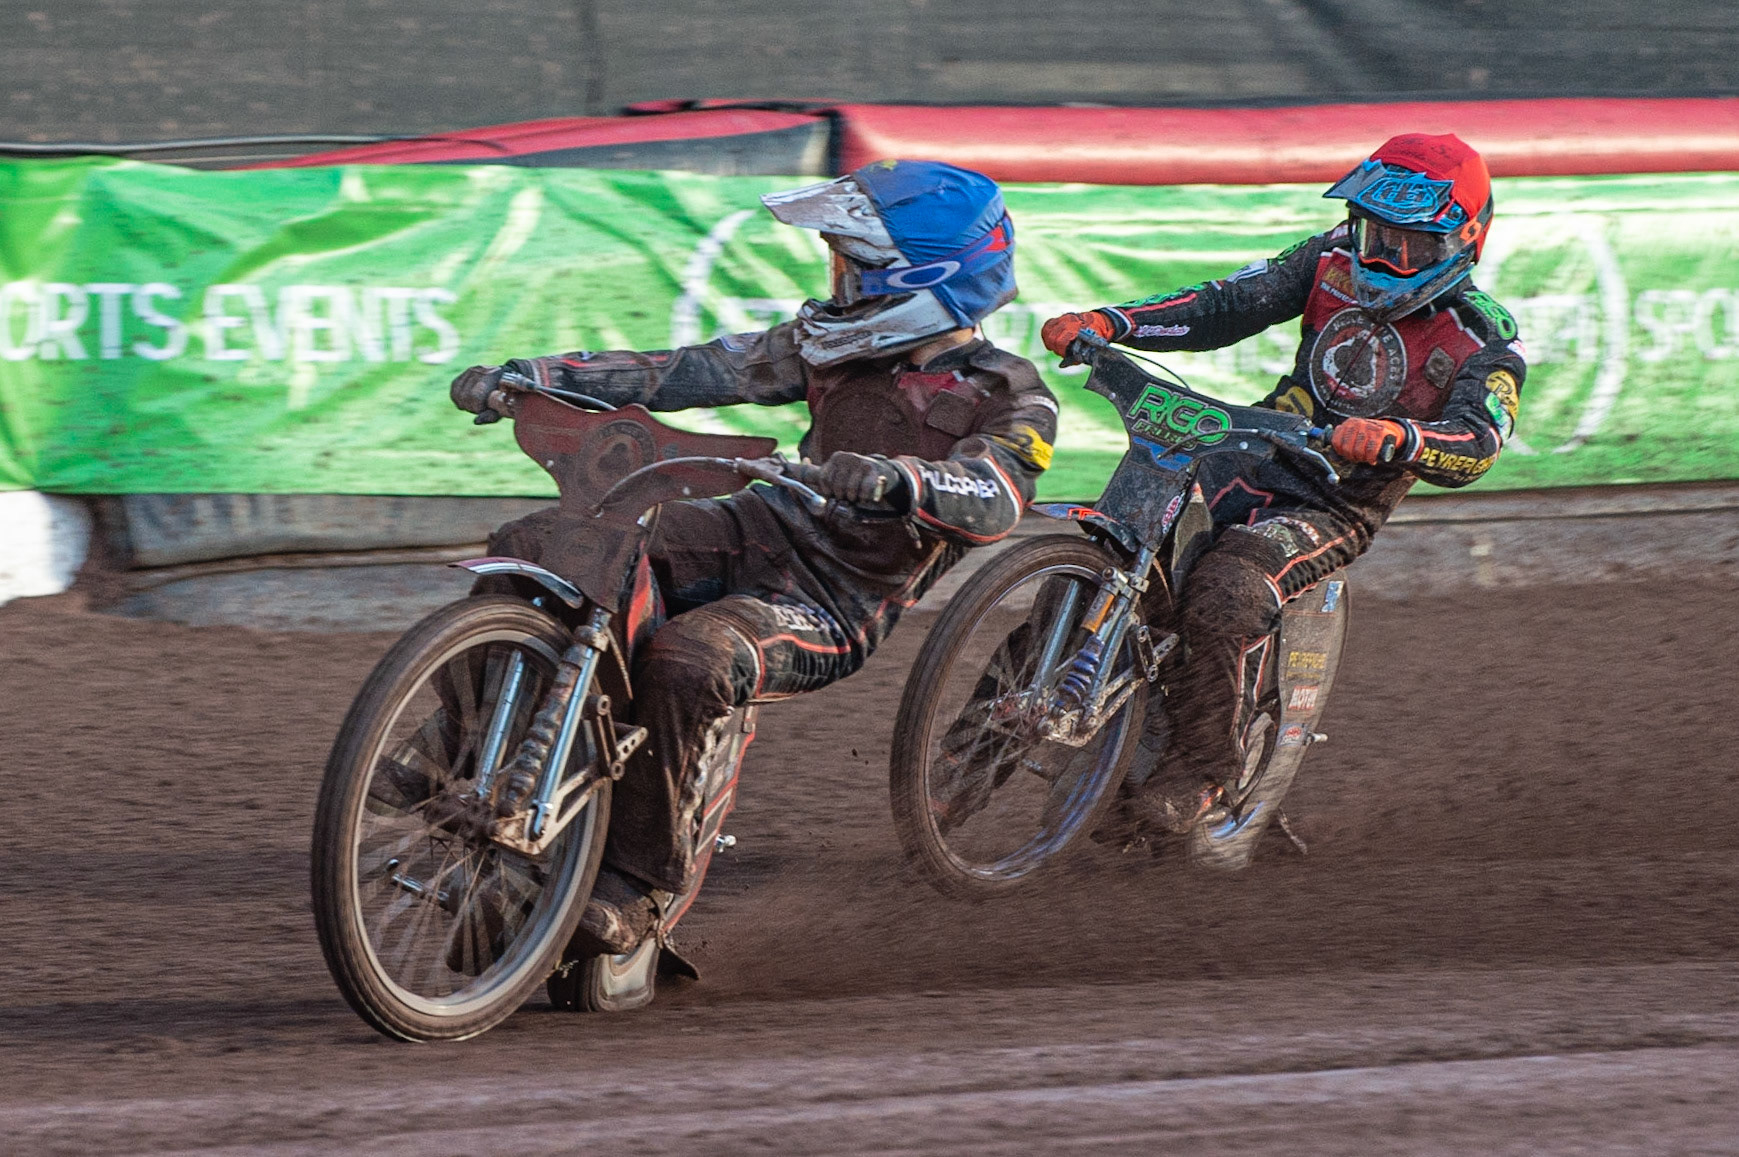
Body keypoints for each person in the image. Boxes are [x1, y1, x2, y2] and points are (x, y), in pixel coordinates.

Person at [450, 159, 1058, 951]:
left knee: (691, 658)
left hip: (834, 599)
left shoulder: (1012, 394)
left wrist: (899, 480)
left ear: (922, 281)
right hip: (748, 525)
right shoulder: (824, 349)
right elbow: (690, 370)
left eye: (854, 268)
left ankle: (635, 885)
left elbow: (998, 494)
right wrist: (538, 378)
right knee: (535, 544)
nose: (837, 282)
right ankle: (466, 750)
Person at [1040, 132, 1526, 835]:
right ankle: (990, 717)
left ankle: (1202, 772)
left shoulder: (1481, 340)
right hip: (1252, 447)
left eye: (1407, 246)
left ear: (1464, 240)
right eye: (1370, 234)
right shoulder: (1326, 257)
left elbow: (1479, 444)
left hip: (1333, 498)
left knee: (1224, 590)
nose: (1379, 258)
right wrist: (1110, 322)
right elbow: (1224, 305)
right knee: (1099, 558)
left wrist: (1400, 437)